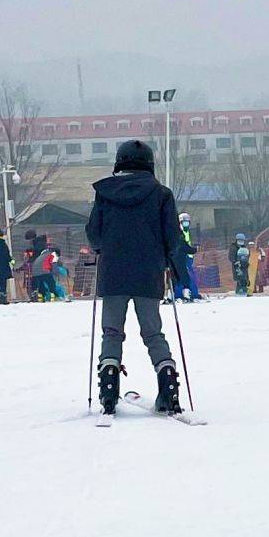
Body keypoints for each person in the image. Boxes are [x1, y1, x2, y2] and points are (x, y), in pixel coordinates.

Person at [86, 139, 185, 416]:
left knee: (112, 331)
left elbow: (94, 233)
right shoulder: (162, 194)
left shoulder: (105, 193)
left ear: (120, 162)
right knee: (153, 332)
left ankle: (108, 387)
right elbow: (173, 237)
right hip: (148, 273)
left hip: (113, 273)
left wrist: (102, 248)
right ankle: (167, 383)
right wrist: (166, 258)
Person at [170, 213, 201, 301]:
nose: (186, 224)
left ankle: (190, 293)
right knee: (183, 276)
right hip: (181, 257)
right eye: (184, 222)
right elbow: (183, 245)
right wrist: (193, 250)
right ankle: (181, 294)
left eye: (187, 222)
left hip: (187, 257)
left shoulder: (187, 232)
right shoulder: (179, 232)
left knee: (188, 275)